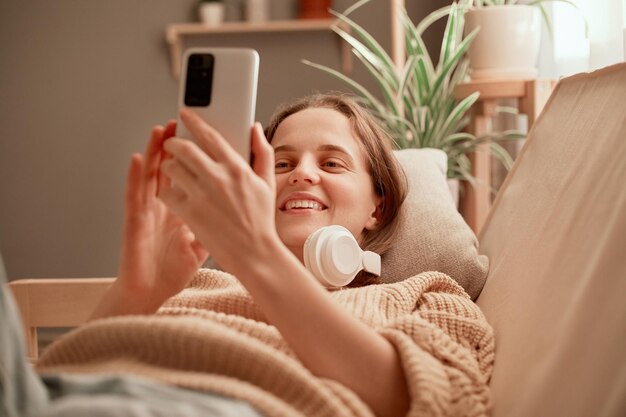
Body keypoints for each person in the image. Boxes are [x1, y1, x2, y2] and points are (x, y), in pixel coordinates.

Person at [11, 94, 495, 417]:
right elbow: (55, 382)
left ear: (378, 204)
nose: (301, 174)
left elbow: (445, 405)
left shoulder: (427, 296)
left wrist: (258, 256)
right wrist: (136, 291)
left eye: (331, 162)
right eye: (281, 162)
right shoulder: (193, 285)